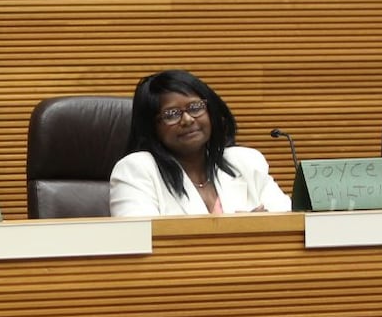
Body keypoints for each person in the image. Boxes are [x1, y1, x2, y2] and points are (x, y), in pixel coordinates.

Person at [109, 69, 291, 216]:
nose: (187, 119)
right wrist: (241, 227)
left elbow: (289, 222)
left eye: (195, 107)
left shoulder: (246, 161)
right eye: (171, 114)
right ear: (151, 126)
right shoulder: (136, 170)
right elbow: (138, 240)